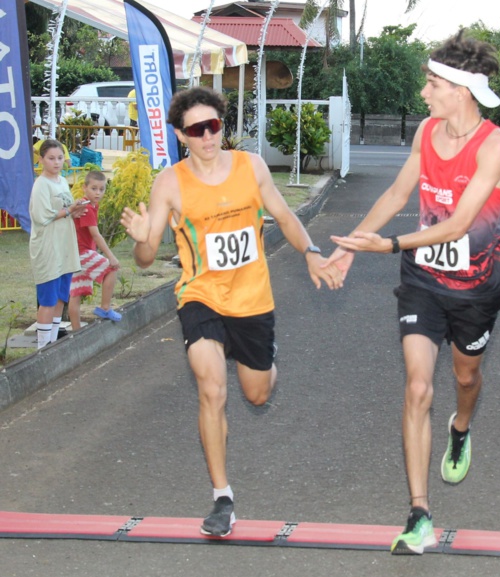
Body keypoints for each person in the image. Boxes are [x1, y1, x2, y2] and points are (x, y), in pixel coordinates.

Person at [119, 86, 343, 538]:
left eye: (214, 126)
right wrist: (144, 239)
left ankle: (262, 358)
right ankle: (223, 497)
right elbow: (145, 259)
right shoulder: (171, 182)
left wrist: (312, 252)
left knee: (257, 393)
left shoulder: (250, 167)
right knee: (211, 389)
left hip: (252, 300)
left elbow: (284, 215)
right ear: (182, 136)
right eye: (197, 130)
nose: (207, 137)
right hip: (200, 295)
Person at [327, 30, 500, 555]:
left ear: (461, 89)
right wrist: (349, 247)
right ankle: (419, 514)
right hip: (424, 281)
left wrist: (387, 245)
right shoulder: (426, 132)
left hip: (476, 287)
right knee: (416, 387)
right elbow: (396, 192)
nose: (424, 92)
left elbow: (457, 224)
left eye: (432, 83)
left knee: (465, 376)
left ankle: (461, 427)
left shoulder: (494, 146)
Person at [28, 139, 88, 349]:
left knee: (61, 296)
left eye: (60, 158)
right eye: (51, 158)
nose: (56, 162)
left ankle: (52, 345)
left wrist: (75, 210)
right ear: (42, 160)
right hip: (48, 248)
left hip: (64, 247)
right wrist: (70, 210)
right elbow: (42, 216)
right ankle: (42, 349)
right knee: (48, 298)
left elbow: (64, 210)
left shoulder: (62, 182)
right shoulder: (40, 185)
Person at [68, 170, 121, 330]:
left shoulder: (89, 205)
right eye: (94, 188)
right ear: (85, 187)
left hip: (76, 254)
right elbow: (96, 235)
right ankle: (105, 308)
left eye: (101, 189)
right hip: (82, 253)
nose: (98, 193)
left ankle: (76, 331)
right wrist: (111, 256)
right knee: (112, 268)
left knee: (76, 293)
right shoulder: (87, 208)